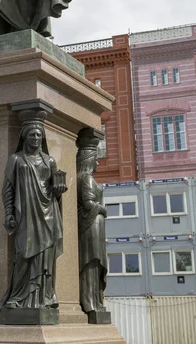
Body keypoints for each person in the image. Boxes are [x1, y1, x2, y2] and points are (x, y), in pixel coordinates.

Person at [0, 122, 67, 310]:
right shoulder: (16, 159)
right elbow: (7, 189)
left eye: (38, 136)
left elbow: (55, 188)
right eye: (32, 135)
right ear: (24, 137)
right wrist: (8, 212)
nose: (35, 139)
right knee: (23, 255)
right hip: (25, 214)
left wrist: (59, 190)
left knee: (44, 257)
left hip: (48, 214)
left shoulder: (49, 161)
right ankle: (17, 296)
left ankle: (44, 298)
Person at [76, 130, 108, 317]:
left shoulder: (86, 178)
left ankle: (95, 300)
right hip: (90, 226)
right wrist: (103, 210)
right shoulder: (86, 178)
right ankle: (90, 301)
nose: (97, 162)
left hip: (94, 226)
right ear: (88, 159)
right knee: (91, 262)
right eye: (95, 158)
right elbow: (88, 203)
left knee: (94, 263)